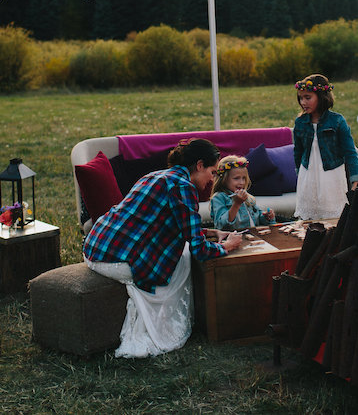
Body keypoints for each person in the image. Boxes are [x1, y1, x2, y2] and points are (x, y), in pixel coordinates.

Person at [83, 138, 243, 358]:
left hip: (95, 247)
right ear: (199, 165)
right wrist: (227, 246)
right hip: (116, 260)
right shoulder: (183, 186)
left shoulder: (156, 176)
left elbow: (167, 224)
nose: (212, 179)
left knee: (180, 248)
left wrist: (212, 233)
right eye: (213, 172)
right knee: (185, 257)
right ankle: (176, 323)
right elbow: (200, 250)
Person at [292, 73, 358, 220]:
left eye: (308, 97)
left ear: (322, 97)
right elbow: (297, 150)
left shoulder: (337, 121)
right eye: (301, 98)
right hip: (308, 174)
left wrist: (356, 180)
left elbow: (350, 152)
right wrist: (299, 172)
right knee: (309, 217)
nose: (303, 102)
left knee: (333, 216)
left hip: (331, 174)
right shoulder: (300, 123)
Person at [209, 155, 276, 230]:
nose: (241, 182)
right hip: (234, 239)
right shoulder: (219, 198)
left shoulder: (247, 197)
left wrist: (266, 217)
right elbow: (221, 225)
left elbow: (258, 217)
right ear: (224, 179)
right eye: (236, 178)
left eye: (244, 178)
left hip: (253, 236)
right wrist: (237, 204)